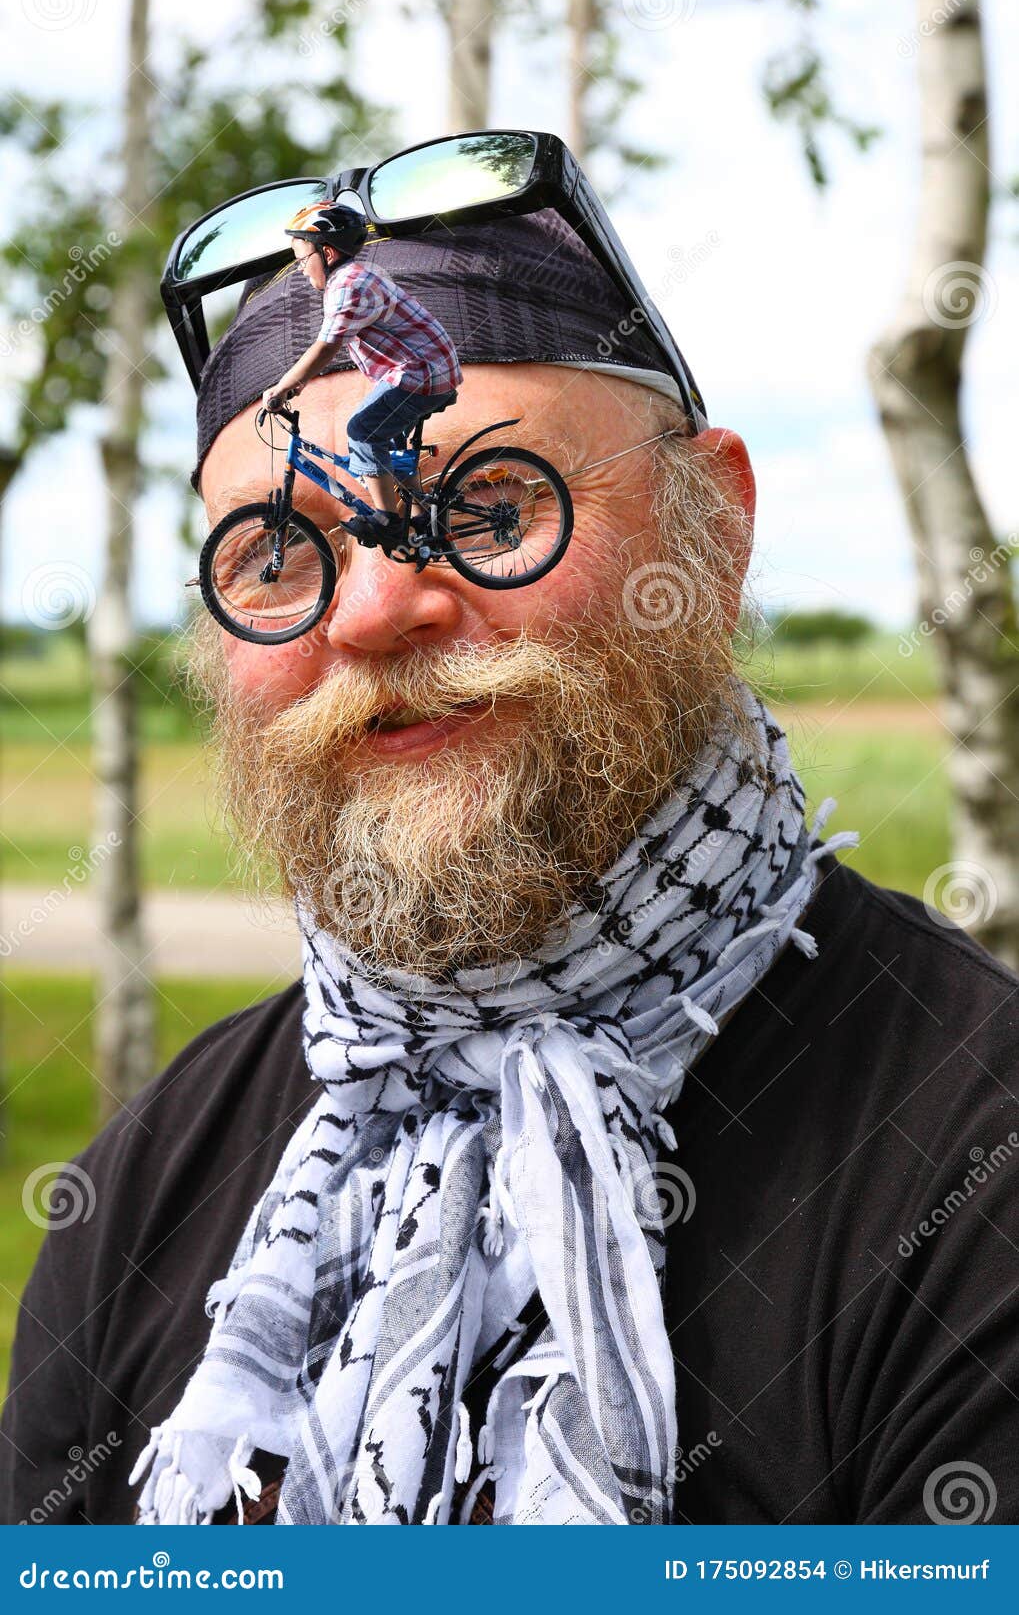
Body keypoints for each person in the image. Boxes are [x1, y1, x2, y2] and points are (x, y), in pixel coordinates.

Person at [2, 206, 1017, 1528]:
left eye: (486, 505)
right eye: (276, 554)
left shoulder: (970, 1162)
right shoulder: (151, 1177)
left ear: (709, 528)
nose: (372, 609)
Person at [260, 200, 462, 542]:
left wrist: (283, 387)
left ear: (327, 253)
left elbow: (326, 346)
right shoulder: (351, 277)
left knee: (364, 429)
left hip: (421, 373)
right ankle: (424, 520)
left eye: (301, 260)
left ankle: (387, 520)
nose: (300, 269)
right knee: (392, 447)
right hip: (417, 370)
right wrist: (297, 384)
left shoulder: (349, 284)